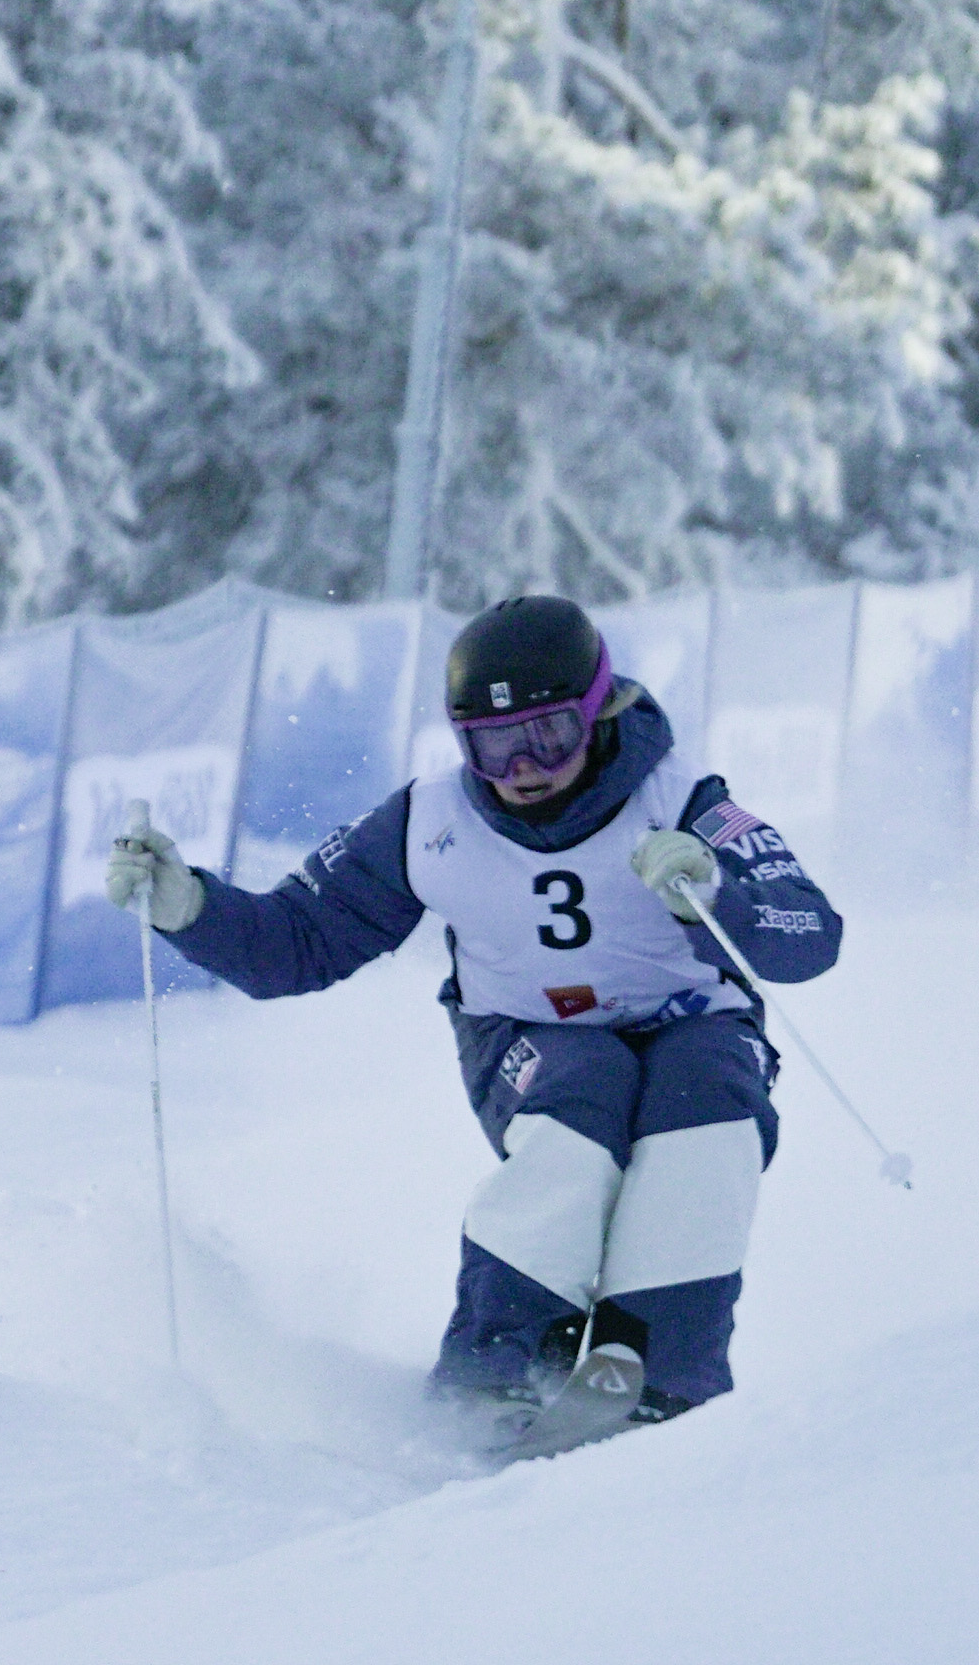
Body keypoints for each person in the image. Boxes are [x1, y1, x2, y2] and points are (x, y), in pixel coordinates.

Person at [102, 592, 843, 1437]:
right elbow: (295, 944)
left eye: (549, 736)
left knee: (705, 1102)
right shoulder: (429, 821)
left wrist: (716, 891)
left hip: (693, 1019)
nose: (524, 766)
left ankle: (655, 1367)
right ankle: (499, 1365)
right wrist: (188, 905)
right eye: (493, 745)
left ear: (601, 711)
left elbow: (810, 934)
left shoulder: (682, 801)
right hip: (525, 1035)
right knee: (581, 1095)